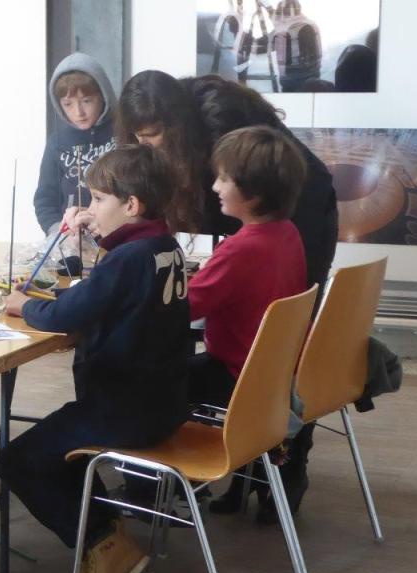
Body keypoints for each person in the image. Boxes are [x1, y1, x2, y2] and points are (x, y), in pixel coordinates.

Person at [116, 70, 337, 517]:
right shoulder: (279, 237)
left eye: (153, 137)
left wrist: (143, 288)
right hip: (257, 367)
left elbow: (185, 305)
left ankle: (243, 471)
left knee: (152, 378)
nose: (146, 147)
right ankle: (251, 473)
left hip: (304, 206)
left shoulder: (222, 127)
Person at [0, 144, 189, 573]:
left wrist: (25, 306)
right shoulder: (164, 247)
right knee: (56, 449)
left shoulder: (128, 258)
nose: (90, 209)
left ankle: (105, 545)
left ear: (132, 205)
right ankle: (110, 536)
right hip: (161, 402)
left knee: (19, 460)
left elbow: (68, 315)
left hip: (123, 409)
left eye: (99, 199)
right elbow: (106, 299)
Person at [187, 125, 308, 410]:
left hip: (237, 376)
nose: (215, 187)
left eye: (223, 178)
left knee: (142, 380)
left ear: (253, 193)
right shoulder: (288, 231)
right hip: (272, 371)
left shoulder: (238, 249)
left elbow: (185, 307)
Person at [34, 52, 116, 235]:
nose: (79, 112)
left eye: (86, 101)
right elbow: (45, 199)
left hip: (116, 238)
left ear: (103, 95)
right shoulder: (57, 143)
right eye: (68, 104)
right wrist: (58, 232)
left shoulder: (123, 134)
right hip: (71, 239)